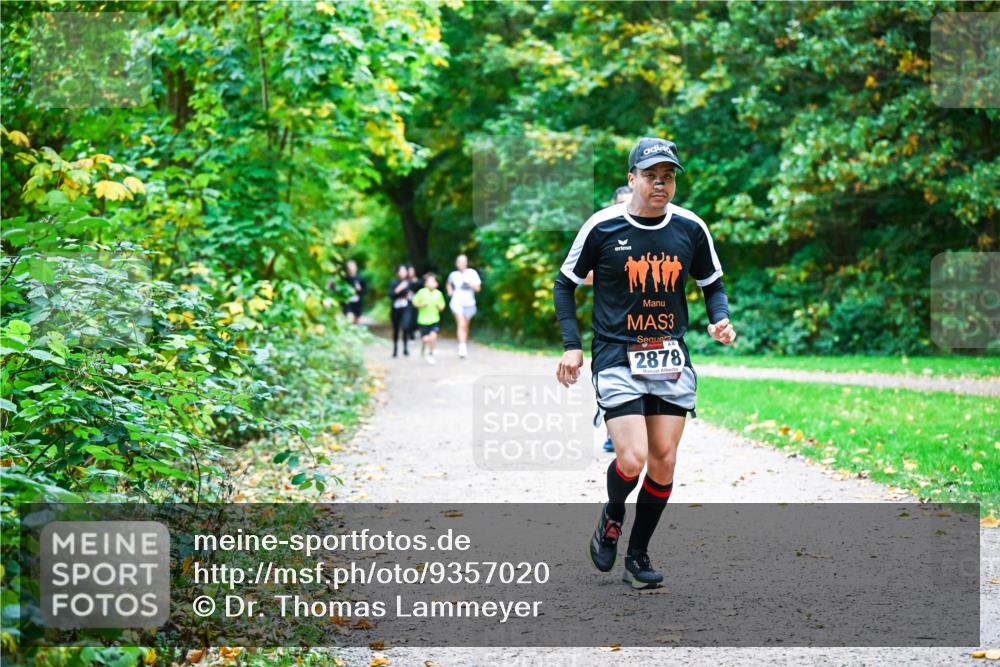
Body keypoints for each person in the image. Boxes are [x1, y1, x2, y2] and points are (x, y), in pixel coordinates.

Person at [554, 137, 735, 589]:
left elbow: (712, 284)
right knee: (631, 458)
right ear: (632, 178)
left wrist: (721, 320)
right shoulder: (601, 227)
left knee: (663, 463)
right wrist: (572, 345)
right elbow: (564, 284)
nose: (660, 183)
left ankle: (638, 553)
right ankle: (613, 513)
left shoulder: (691, 228)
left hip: (670, 356)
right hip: (616, 352)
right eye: (651, 175)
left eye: (668, 176)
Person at [590, 186, 633, 453]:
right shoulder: (604, 231)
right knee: (614, 378)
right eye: (621, 202)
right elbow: (579, 274)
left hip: (647, 321)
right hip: (612, 321)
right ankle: (611, 432)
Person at [446, 254, 481, 359]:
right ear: (456, 263)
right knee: (461, 323)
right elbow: (448, 283)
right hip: (457, 303)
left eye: (463, 262)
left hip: (469, 303)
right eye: (459, 262)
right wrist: (450, 291)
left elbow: (478, 289)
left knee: (465, 325)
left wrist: (471, 284)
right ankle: (462, 347)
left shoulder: (472, 273)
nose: (461, 264)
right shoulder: (453, 275)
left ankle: (463, 343)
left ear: (466, 263)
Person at [412, 273, 446, 365]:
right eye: (429, 281)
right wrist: (421, 305)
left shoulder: (439, 294)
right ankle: (424, 345)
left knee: (433, 337)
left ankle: (430, 354)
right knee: (426, 339)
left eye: (433, 281)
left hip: (434, 319)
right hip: (423, 320)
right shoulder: (421, 292)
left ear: (436, 284)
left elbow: (442, 307)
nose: (431, 283)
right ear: (426, 283)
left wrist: (439, 307)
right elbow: (414, 303)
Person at [389, 264, 414, 358]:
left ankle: (405, 348)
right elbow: (391, 295)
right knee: (396, 329)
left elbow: (411, 294)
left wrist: (411, 296)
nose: (403, 273)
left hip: (406, 307)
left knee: (405, 326)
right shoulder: (393, 282)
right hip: (396, 308)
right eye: (401, 271)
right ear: (398, 272)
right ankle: (395, 348)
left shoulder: (409, 283)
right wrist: (400, 288)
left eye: (404, 271)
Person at [340, 259, 366, 325]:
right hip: (347, 302)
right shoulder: (344, 279)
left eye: (352, 267)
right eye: (349, 267)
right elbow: (339, 290)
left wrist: (360, 289)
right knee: (349, 318)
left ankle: (353, 333)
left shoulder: (361, 278)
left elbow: (365, 291)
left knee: (356, 322)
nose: (351, 269)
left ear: (356, 268)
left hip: (357, 303)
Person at [404, 265, 423, 341]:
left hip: (417, 302)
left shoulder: (419, 281)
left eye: (412, 271)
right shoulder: (406, 282)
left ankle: (416, 331)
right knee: (409, 319)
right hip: (408, 303)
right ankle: (410, 334)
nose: (411, 272)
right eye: (409, 271)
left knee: (416, 317)